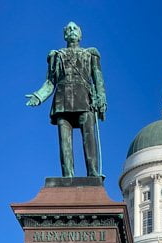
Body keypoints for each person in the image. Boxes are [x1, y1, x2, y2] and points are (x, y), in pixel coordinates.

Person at [26, 21, 106, 178]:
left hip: (85, 99)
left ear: (80, 34)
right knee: (64, 142)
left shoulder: (90, 54)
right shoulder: (56, 56)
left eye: (75, 28)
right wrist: (38, 96)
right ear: (64, 35)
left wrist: (101, 98)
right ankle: (67, 176)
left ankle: (93, 173)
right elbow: (50, 82)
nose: (72, 30)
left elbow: (98, 79)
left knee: (89, 138)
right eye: (68, 29)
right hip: (62, 99)